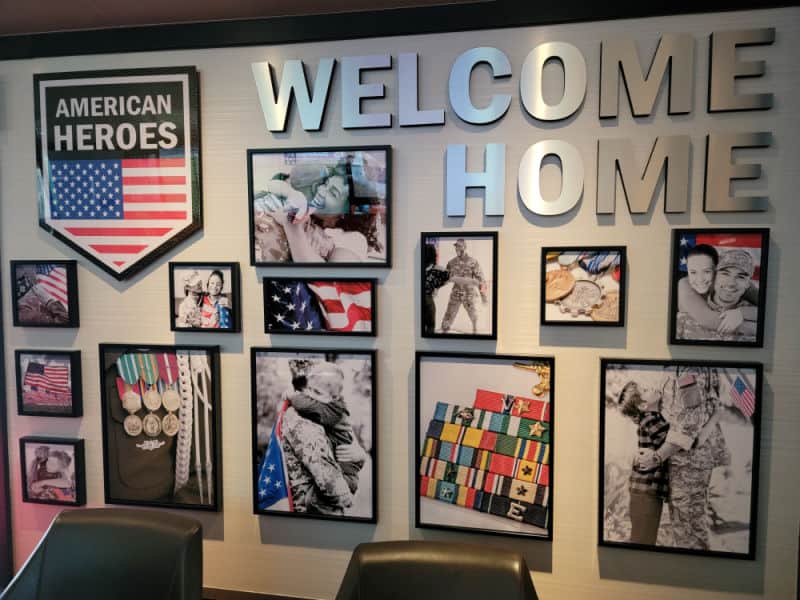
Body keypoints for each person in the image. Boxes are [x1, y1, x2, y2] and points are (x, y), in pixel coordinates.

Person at [635, 367, 730, 550]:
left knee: (688, 532)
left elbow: (689, 424)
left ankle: (696, 575)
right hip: (682, 459)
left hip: (689, 462)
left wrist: (657, 457)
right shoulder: (676, 366)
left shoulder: (688, 369)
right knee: (687, 528)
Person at [253, 160, 383, 264]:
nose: (319, 189)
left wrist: (292, 226)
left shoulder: (352, 239)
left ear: (346, 212)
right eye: (325, 183)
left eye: (332, 192)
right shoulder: (299, 202)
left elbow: (330, 281)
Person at [287, 362, 365, 494]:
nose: (309, 394)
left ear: (334, 397)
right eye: (309, 389)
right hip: (336, 466)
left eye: (316, 392)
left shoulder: (333, 409)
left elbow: (305, 405)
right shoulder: (327, 403)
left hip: (346, 470)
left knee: (343, 487)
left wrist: (291, 396)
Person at [617, 381, 670, 545]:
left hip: (643, 491)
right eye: (646, 389)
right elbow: (675, 442)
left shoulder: (650, 419)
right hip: (647, 492)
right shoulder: (650, 421)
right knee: (644, 539)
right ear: (642, 404)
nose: (653, 386)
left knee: (643, 536)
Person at [676, 245, 758, 340]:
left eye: (707, 271)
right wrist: (755, 328)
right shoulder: (685, 285)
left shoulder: (747, 288)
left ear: (714, 272)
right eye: (693, 272)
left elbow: (768, 307)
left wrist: (742, 312)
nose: (700, 279)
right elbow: (706, 319)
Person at [441, 239, 488, 334]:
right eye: (456, 246)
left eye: (459, 246)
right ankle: (443, 336)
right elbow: (444, 278)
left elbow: (481, 280)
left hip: (469, 294)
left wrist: (484, 296)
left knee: (475, 319)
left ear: (464, 247)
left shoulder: (473, 262)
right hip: (456, 294)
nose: (457, 248)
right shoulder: (451, 263)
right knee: (447, 319)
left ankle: (476, 334)